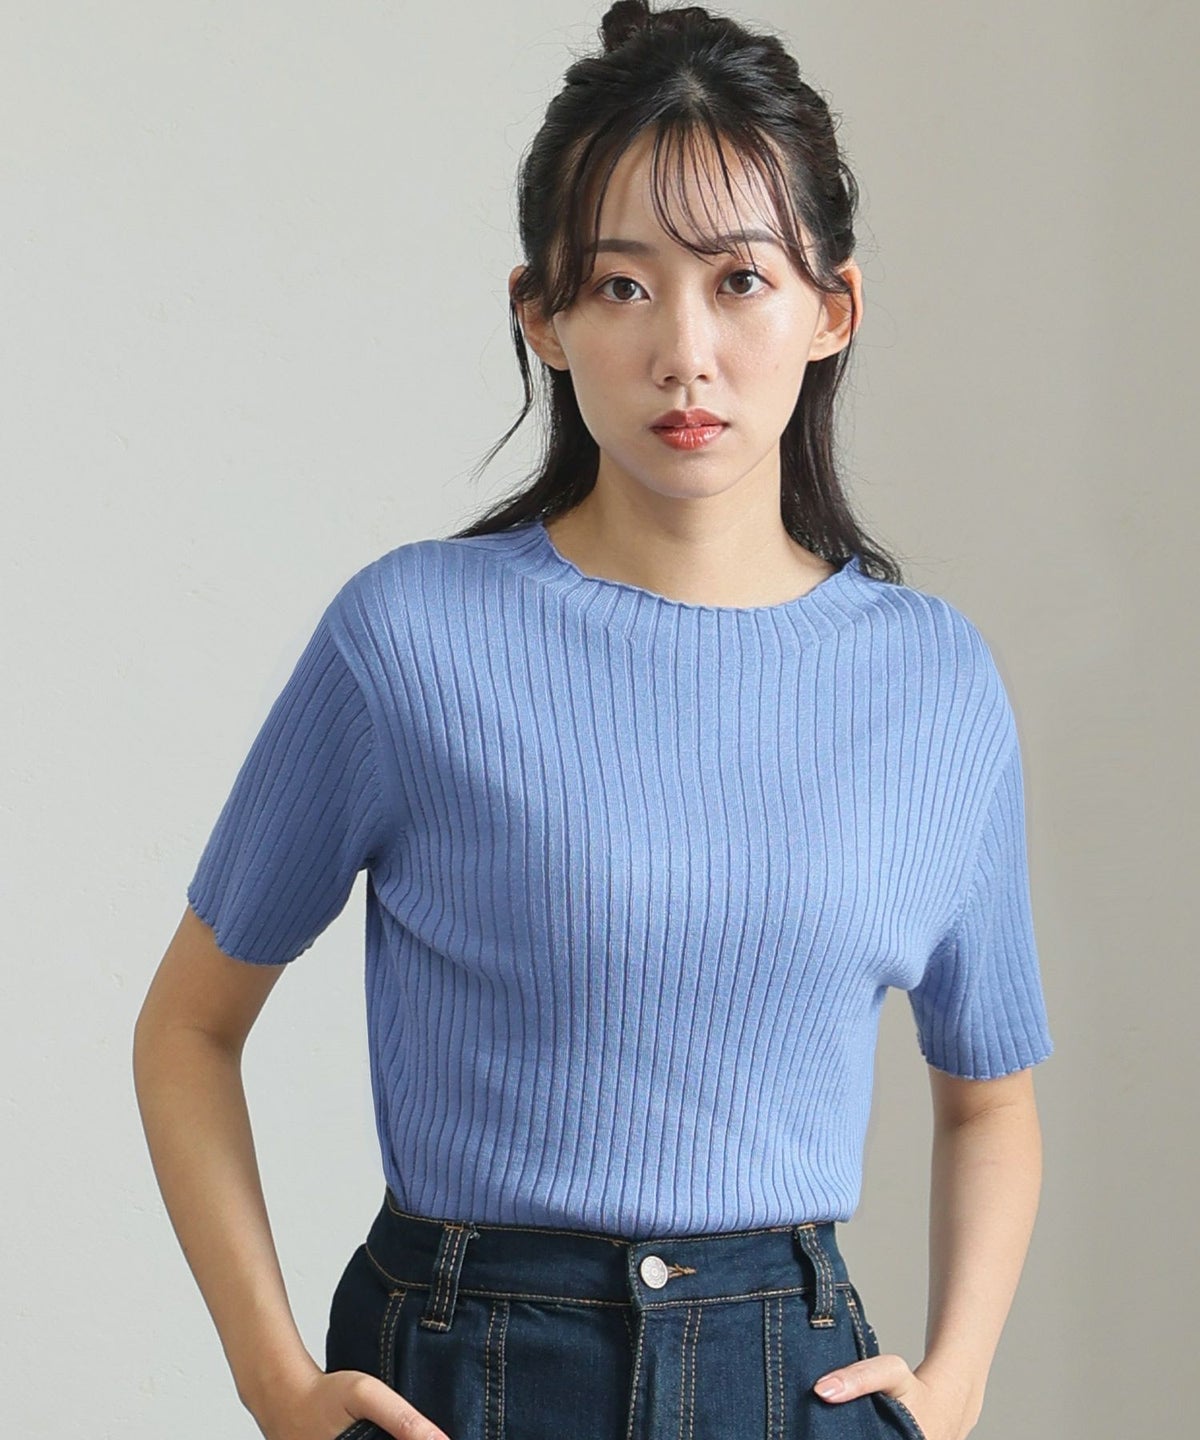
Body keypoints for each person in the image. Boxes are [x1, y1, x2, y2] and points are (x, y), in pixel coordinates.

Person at [132, 3, 1055, 1439]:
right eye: (623, 285)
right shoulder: (408, 639)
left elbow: (991, 1094)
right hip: (467, 1370)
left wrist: (952, 1391)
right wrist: (277, 1385)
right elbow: (187, 1029)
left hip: (790, 1373)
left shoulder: (934, 682)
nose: (686, 351)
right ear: (542, 315)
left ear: (832, 309)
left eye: (741, 280)